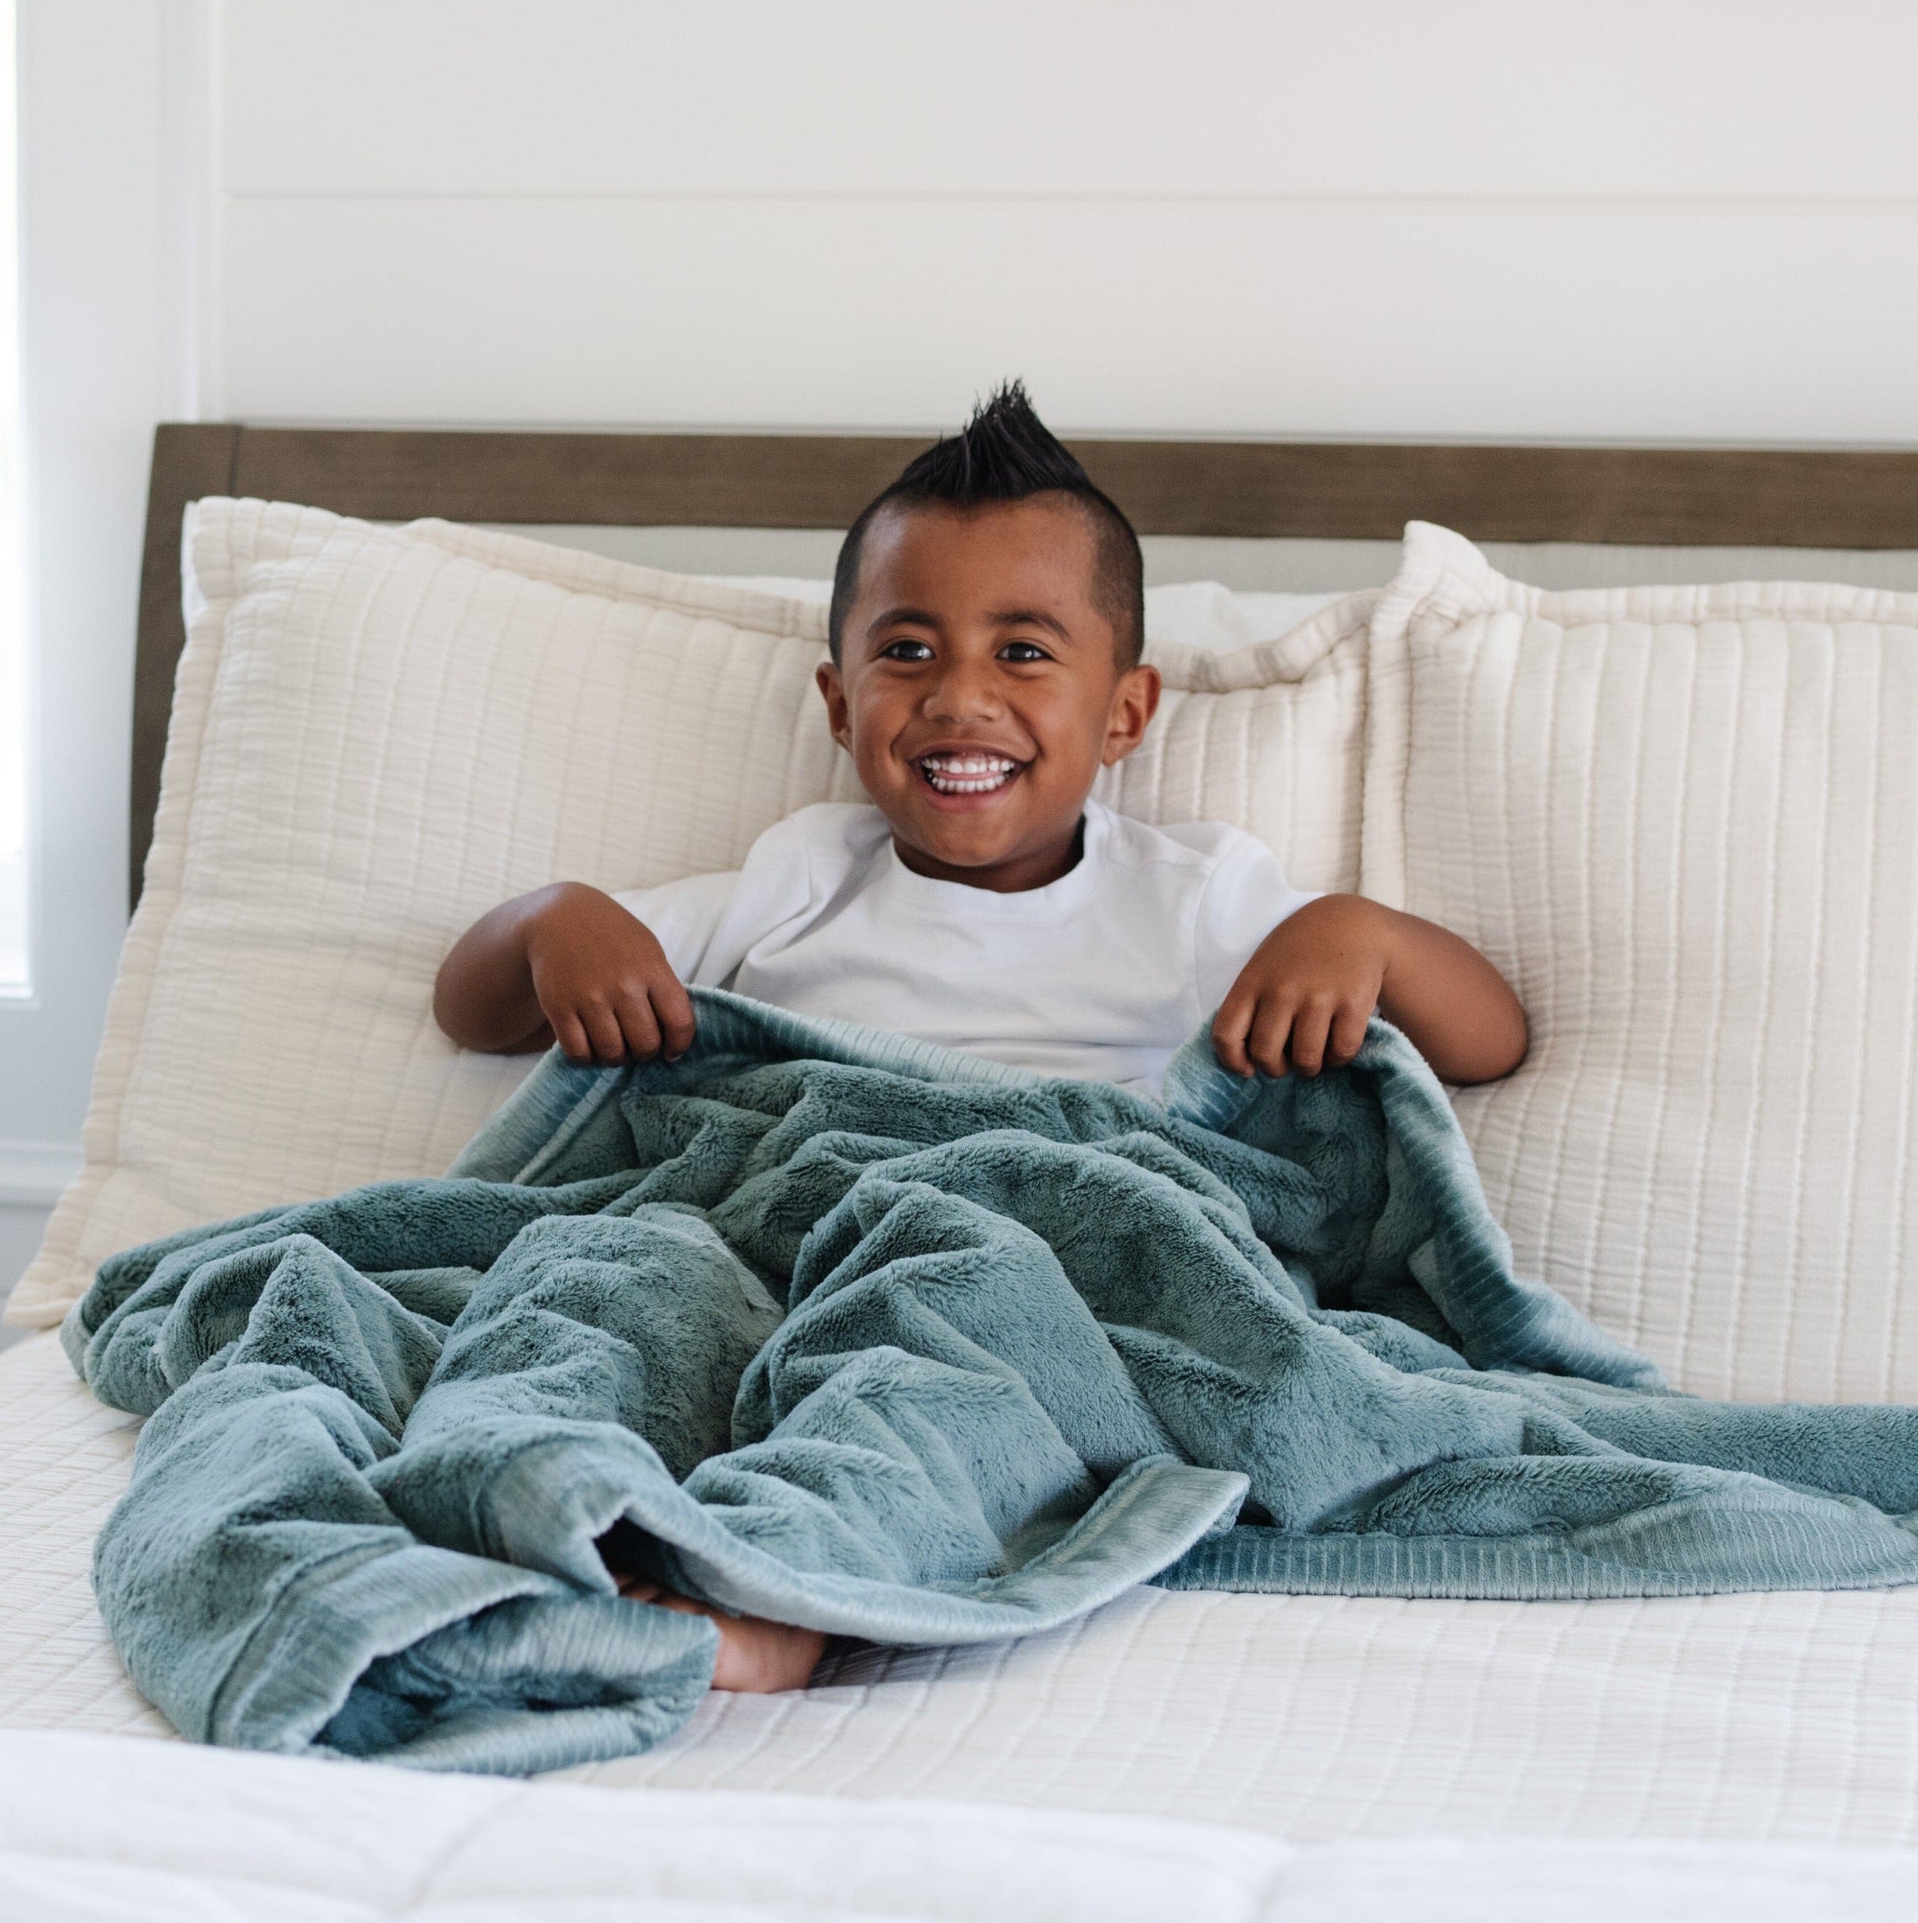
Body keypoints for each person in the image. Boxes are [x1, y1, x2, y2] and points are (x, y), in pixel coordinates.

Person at [434, 383, 1528, 1694]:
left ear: (1123, 712)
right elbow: (472, 1004)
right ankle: (549, 1500)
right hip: (781, 1238)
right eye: (907, 651)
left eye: (1021, 651)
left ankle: (793, 1585)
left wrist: (1362, 935)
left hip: (1029, 1256)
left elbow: (1486, 1038)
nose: (959, 697)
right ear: (838, 705)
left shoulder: (1191, 897)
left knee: (931, 1346)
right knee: (606, 1279)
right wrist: (561, 923)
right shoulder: (796, 879)